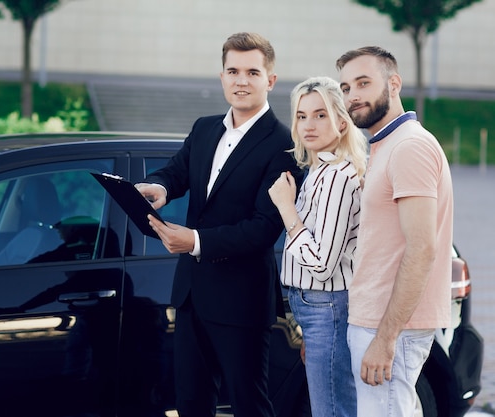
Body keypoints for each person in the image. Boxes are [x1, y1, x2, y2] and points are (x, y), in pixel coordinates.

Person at [135, 32, 304, 417]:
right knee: (192, 403)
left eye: (252, 72)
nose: (241, 80)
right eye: (233, 71)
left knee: (250, 406)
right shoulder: (204, 128)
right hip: (192, 295)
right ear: (222, 76)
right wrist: (159, 186)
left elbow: (263, 228)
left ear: (270, 80)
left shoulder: (285, 144)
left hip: (242, 301)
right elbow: (177, 172)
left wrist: (195, 241)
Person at [336, 46, 454, 417]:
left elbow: (422, 249)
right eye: (345, 87)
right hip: (378, 322)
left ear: (394, 83)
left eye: (363, 82)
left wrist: (386, 339)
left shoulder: (409, 147)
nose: (352, 95)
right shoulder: (387, 145)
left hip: (390, 329)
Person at [268, 76, 367, 417]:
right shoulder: (318, 171)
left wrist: (286, 208)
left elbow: (322, 263)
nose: (309, 125)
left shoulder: (339, 176)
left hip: (327, 307)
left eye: (320, 115)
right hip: (316, 309)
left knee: (332, 410)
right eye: (301, 115)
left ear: (342, 120)